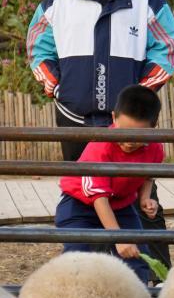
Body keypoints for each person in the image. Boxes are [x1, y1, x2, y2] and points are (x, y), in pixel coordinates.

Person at [27, 0, 174, 280]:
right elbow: (36, 47)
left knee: (141, 201)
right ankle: (86, 281)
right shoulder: (57, 0)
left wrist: (139, 94)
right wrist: (58, 87)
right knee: (81, 198)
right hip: (75, 119)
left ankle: (156, 282)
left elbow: (168, 48)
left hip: (128, 124)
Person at [55, 85, 163, 284]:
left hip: (120, 206)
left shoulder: (155, 148)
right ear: (114, 118)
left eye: (137, 136)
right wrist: (118, 236)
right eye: (124, 131)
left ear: (152, 128)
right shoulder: (100, 146)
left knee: (137, 258)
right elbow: (99, 199)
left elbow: (148, 175)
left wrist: (145, 198)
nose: (129, 141)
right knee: (77, 259)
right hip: (80, 206)